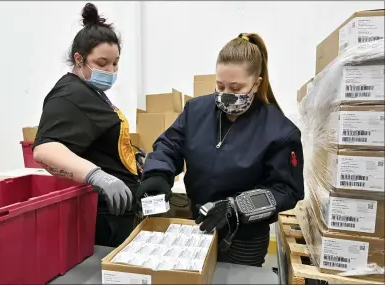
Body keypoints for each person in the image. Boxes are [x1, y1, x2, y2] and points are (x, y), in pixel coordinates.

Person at [136, 33, 304, 266]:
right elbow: (170, 144)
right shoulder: (196, 110)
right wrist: (157, 174)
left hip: (243, 239)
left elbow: (285, 190)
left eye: (236, 88)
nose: (226, 94)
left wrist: (235, 207)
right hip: (199, 226)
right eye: (220, 85)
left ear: (256, 83)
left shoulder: (280, 131)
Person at [32, 3, 139, 247]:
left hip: (117, 210)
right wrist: (98, 176)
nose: (111, 71)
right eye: (102, 63)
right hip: (100, 214)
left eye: (115, 63)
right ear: (79, 59)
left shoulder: (90, 91)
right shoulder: (68, 95)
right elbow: (45, 149)